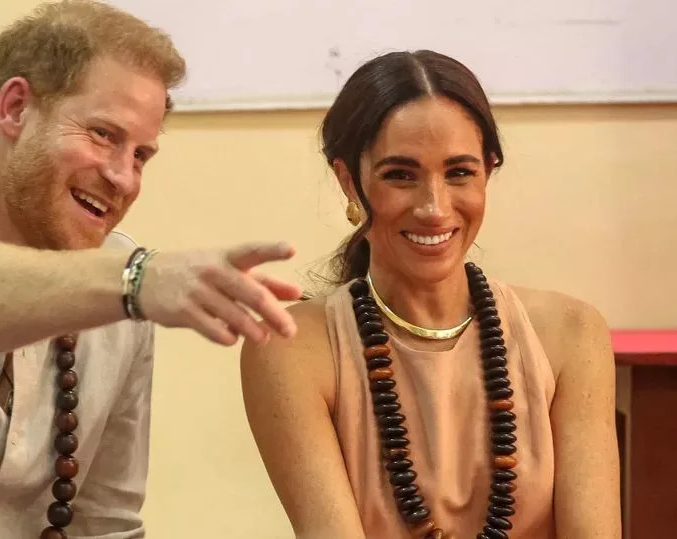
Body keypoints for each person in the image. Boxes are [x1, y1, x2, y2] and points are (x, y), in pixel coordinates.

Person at [0, 1, 301, 538]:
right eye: (103, 135)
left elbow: (107, 524)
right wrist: (135, 282)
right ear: (16, 108)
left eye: (141, 155)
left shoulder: (121, 290)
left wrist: (130, 283)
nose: (124, 178)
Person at [241, 50, 621, 539]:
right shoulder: (290, 347)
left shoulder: (573, 333)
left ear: (489, 170)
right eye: (400, 174)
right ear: (348, 181)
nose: (434, 208)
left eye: (459, 172)